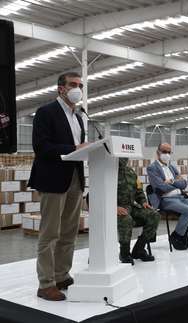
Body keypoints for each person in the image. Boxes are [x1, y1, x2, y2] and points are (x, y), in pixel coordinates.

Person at [28, 72, 88, 301]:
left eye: (80, 85)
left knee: (69, 232)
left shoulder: (79, 116)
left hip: (74, 177)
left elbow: (77, 147)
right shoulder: (46, 112)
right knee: (50, 232)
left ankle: (62, 275)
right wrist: (74, 147)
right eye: (73, 84)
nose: (77, 88)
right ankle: (45, 284)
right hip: (53, 178)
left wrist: (83, 149)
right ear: (60, 88)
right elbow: (41, 146)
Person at [147, 143, 188, 250]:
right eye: (164, 152)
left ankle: (182, 232)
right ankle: (178, 236)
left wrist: (171, 181)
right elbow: (160, 187)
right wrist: (175, 183)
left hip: (180, 197)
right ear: (158, 152)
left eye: (169, 152)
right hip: (166, 200)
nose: (167, 154)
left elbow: (184, 184)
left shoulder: (171, 167)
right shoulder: (152, 168)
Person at [117, 158, 160, 265]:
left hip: (131, 207)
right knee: (126, 219)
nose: (123, 159)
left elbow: (138, 190)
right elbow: (98, 194)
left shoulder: (130, 172)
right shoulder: (107, 172)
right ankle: (124, 253)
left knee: (154, 215)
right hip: (115, 209)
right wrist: (113, 207)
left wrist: (143, 202)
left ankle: (139, 249)